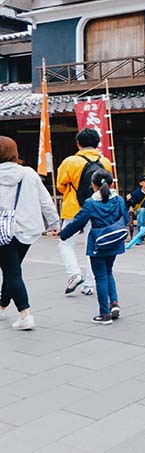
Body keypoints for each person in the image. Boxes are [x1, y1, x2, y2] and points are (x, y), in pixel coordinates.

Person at [0, 136, 60, 330]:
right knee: (12, 269)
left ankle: (26, 315)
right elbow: (45, 200)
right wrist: (54, 222)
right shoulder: (29, 173)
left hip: (3, 230)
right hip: (28, 229)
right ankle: (2, 306)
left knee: (12, 272)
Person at [60, 170, 127, 325]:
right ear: (111, 184)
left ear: (93, 185)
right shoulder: (119, 199)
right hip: (115, 241)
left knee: (101, 277)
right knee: (109, 272)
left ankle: (104, 314)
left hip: (98, 243)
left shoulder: (91, 203)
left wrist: (63, 235)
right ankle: (114, 303)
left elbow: (78, 222)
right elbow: (125, 217)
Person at [56, 128, 113, 296]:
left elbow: (60, 185)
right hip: (98, 208)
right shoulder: (106, 161)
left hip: (74, 208)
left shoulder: (70, 161)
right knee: (92, 246)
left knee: (65, 243)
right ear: (97, 143)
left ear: (78, 143)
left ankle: (74, 273)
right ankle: (89, 284)